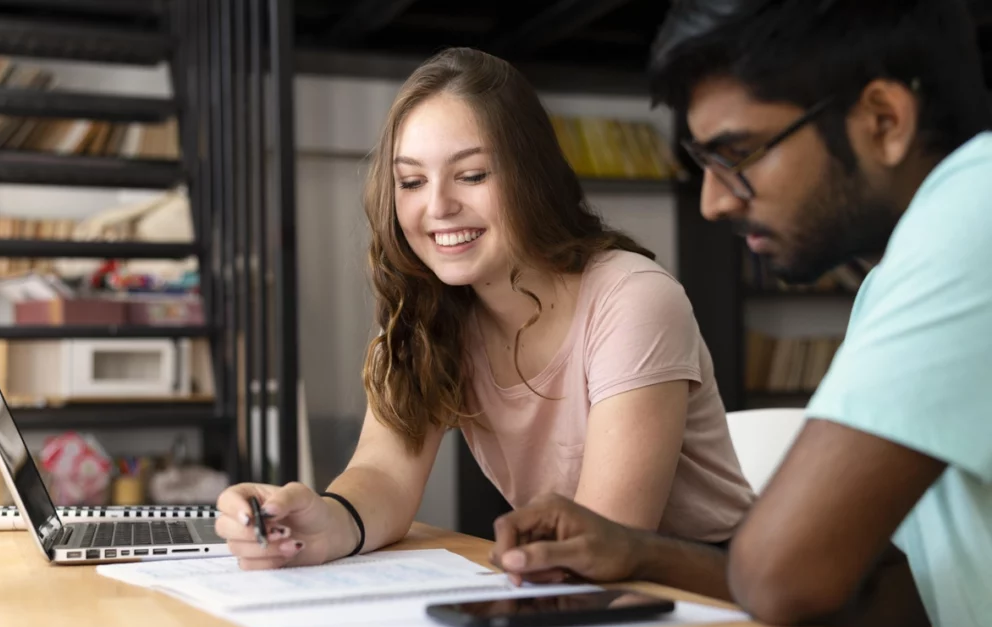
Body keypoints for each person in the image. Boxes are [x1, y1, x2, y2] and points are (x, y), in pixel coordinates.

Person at [488, 0, 992, 627]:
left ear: (884, 120)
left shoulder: (975, 213)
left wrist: (722, 558)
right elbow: (889, 603)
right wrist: (636, 551)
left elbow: (781, 574)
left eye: (738, 154)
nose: (714, 201)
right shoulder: (896, 276)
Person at [214, 48, 753, 572]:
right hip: (579, 587)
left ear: (532, 176)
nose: (438, 206)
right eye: (412, 182)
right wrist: (317, 524)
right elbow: (385, 475)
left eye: (472, 175)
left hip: (713, 593)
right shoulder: (427, 311)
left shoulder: (632, 298)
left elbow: (608, 538)